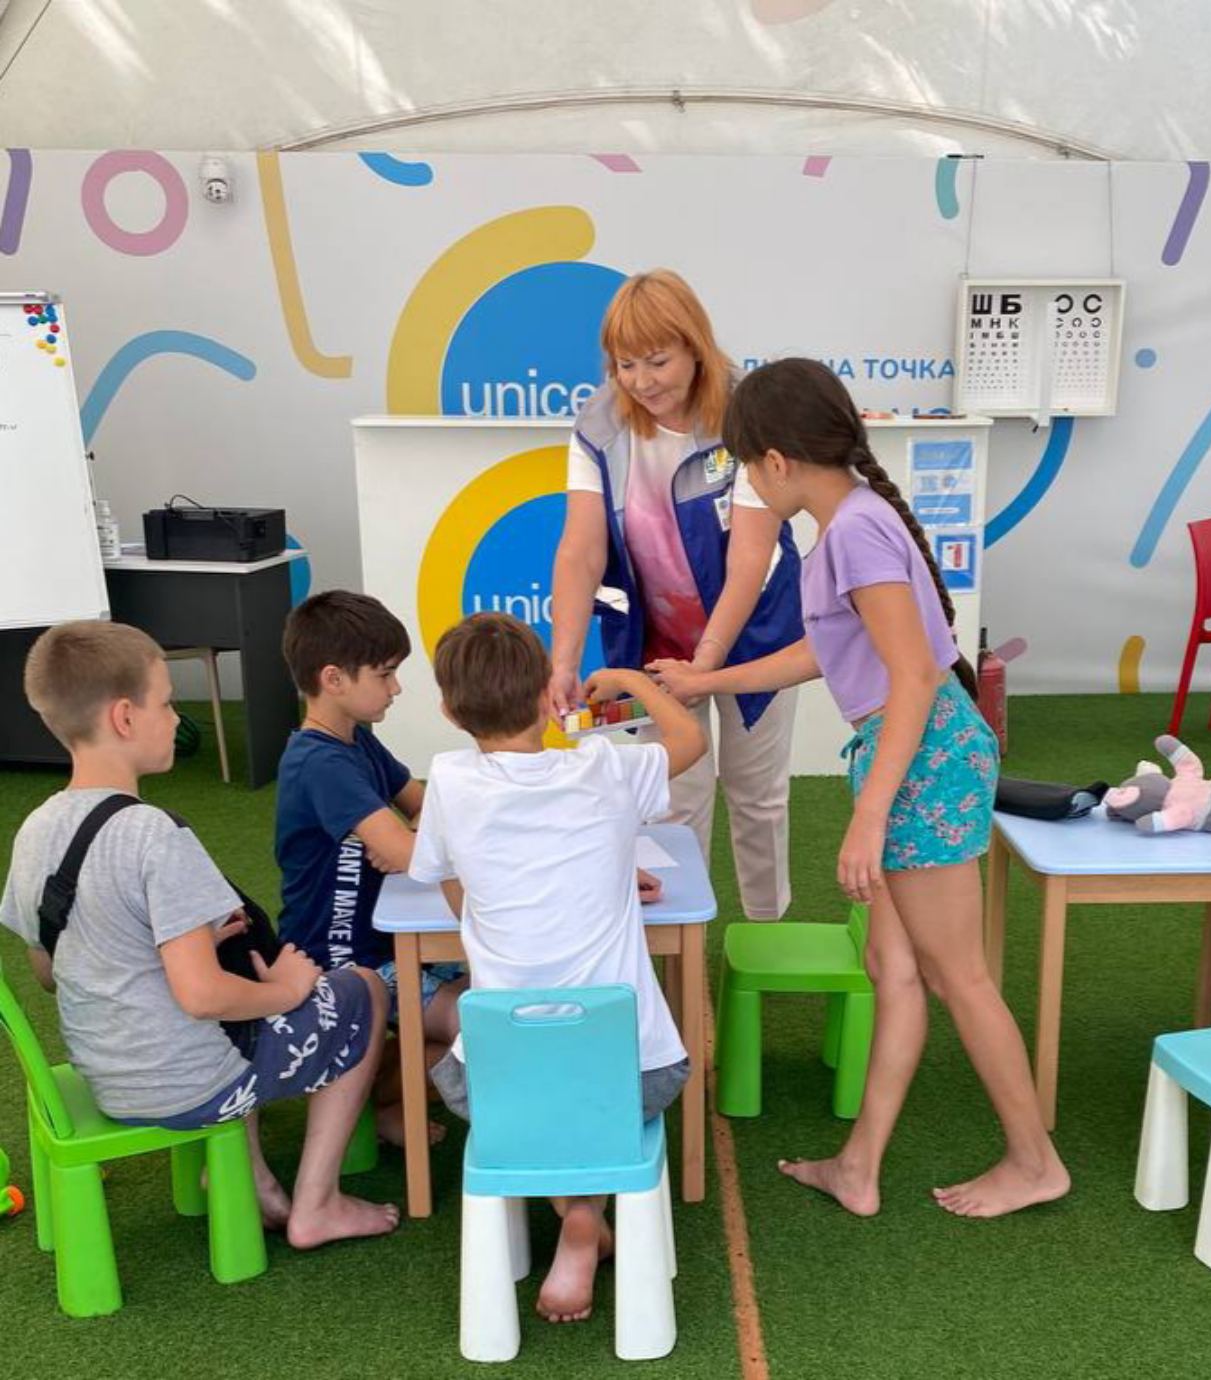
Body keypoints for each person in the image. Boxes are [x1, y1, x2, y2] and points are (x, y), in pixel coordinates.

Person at [651, 358, 1069, 1219]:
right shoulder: (851, 523)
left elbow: (912, 675)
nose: (747, 489)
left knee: (959, 977)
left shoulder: (855, 531)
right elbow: (829, 650)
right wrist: (708, 681)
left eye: (746, 469)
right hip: (915, 752)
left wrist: (870, 815)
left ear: (776, 461)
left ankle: (1035, 1162)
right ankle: (859, 1166)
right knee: (892, 967)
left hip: (923, 759)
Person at [0, 622, 397, 1247]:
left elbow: (50, 972)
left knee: (228, 971)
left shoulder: (34, 829)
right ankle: (318, 1203)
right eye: (166, 704)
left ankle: (250, 1176)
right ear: (125, 717)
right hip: (190, 1084)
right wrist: (288, 989)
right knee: (363, 989)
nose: (174, 719)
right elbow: (203, 996)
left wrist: (183, 943)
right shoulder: (155, 834)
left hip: (106, 1076)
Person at [408, 611, 705, 1324]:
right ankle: (583, 1216)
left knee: (498, 1084)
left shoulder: (449, 780)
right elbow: (689, 740)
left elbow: (452, 884)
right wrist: (630, 679)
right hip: (635, 1071)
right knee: (592, 1081)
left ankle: (572, 1211)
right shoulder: (604, 766)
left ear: (449, 711)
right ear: (550, 696)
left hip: (505, 1081)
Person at [549, 269, 804, 920]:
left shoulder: (748, 414)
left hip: (756, 633)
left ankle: (765, 935)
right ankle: (684, 947)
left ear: (695, 346)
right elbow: (581, 551)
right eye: (625, 364)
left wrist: (706, 666)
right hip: (657, 642)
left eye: (657, 361)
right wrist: (562, 662)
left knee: (756, 794)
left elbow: (749, 560)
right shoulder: (599, 424)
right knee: (675, 799)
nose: (641, 381)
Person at [275, 590, 465, 1146]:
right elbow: (411, 854)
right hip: (342, 962)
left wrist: (415, 838)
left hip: (384, 945)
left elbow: (427, 808)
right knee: (482, 1021)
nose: (396, 688)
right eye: (385, 674)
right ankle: (375, 1097)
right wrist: (410, 843)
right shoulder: (320, 761)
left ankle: (380, 1096)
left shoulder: (357, 740)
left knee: (491, 1000)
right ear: (333, 679)